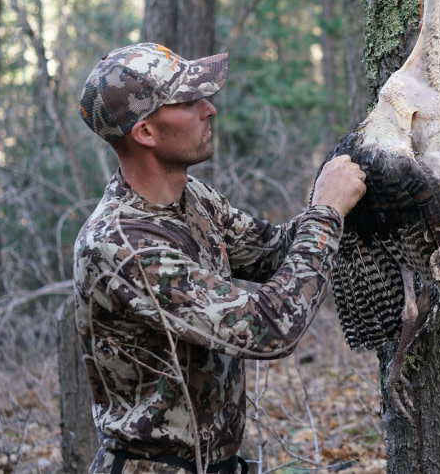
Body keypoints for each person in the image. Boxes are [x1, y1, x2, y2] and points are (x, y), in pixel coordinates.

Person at [73, 42, 366, 474]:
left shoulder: (192, 197)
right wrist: (326, 212)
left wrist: (355, 197)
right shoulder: (122, 246)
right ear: (146, 133)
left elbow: (274, 251)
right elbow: (269, 328)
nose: (209, 109)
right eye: (188, 102)